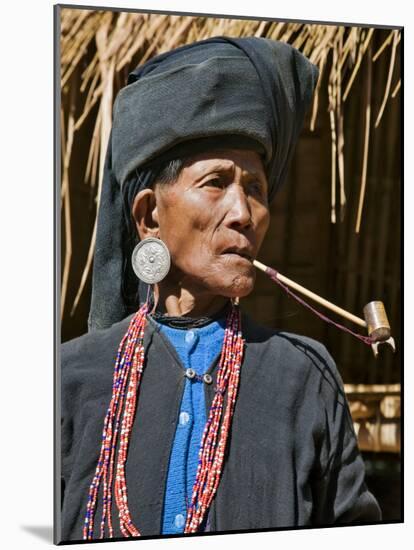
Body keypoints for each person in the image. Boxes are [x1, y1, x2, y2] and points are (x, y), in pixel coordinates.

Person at [60, 36, 381, 543]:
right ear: (149, 216)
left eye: (255, 188)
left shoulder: (305, 378)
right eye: (216, 182)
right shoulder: (68, 379)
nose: (244, 213)